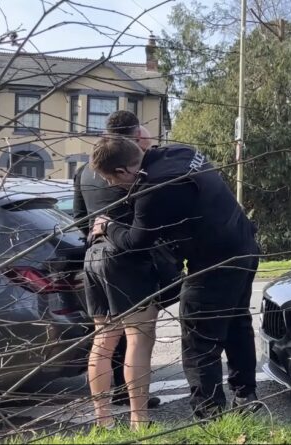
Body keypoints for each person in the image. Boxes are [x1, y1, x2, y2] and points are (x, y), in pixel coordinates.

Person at [89, 137, 260, 419]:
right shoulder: (180, 152)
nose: (111, 185)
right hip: (244, 244)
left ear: (123, 171)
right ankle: (245, 396)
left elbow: (135, 241)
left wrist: (108, 227)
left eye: (110, 179)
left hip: (214, 262)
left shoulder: (154, 188)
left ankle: (209, 414)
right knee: (236, 322)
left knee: (199, 338)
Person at [73, 111, 174, 428]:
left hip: (93, 256)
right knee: (138, 339)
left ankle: (103, 420)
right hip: (128, 259)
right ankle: (138, 419)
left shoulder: (84, 170)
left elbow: (79, 218)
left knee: (103, 341)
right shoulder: (137, 169)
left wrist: (97, 233)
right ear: (135, 137)